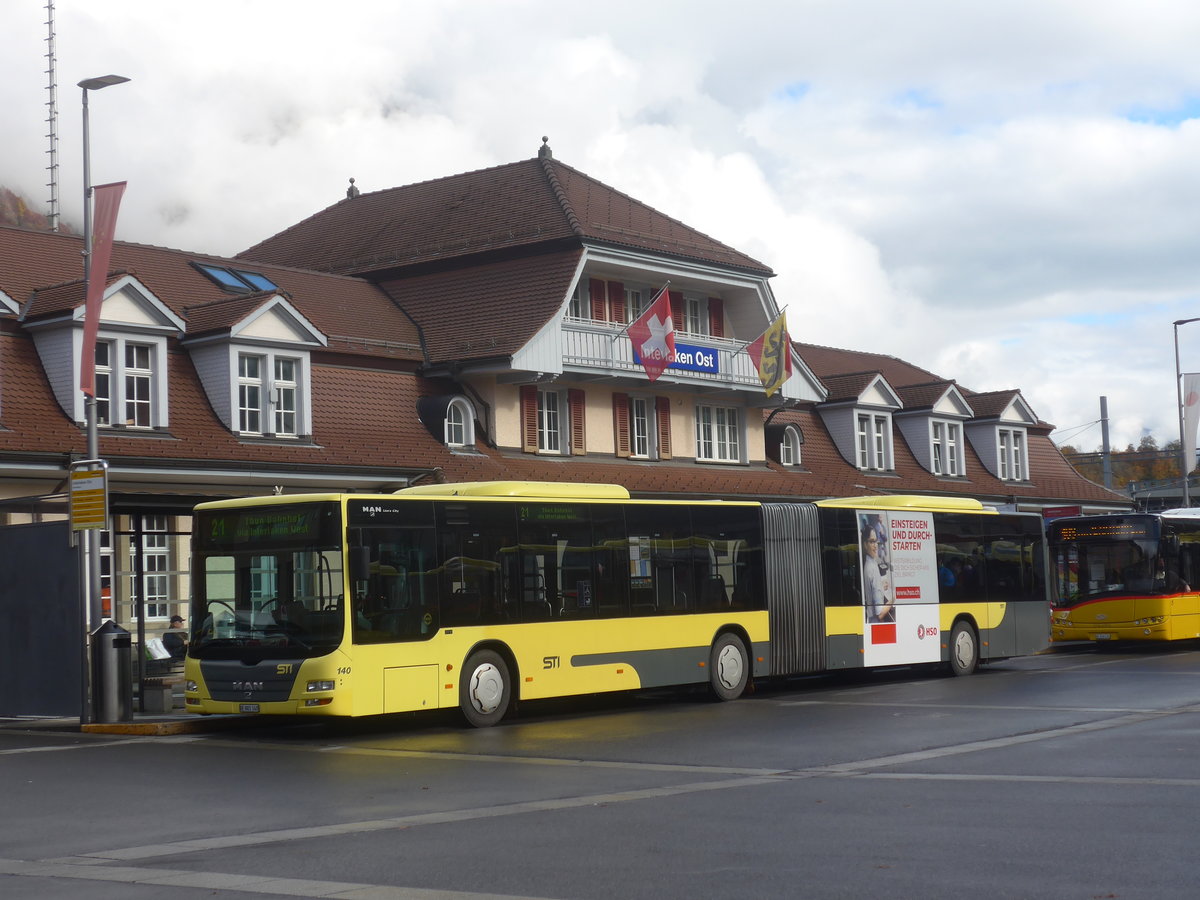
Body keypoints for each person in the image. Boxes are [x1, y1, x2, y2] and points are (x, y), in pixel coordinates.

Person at [861, 519, 894, 623]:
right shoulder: (872, 568)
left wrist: (880, 586)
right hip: (875, 623)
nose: (875, 545)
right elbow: (880, 614)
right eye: (871, 541)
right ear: (865, 544)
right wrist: (894, 597)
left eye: (875, 541)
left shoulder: (868, 564)